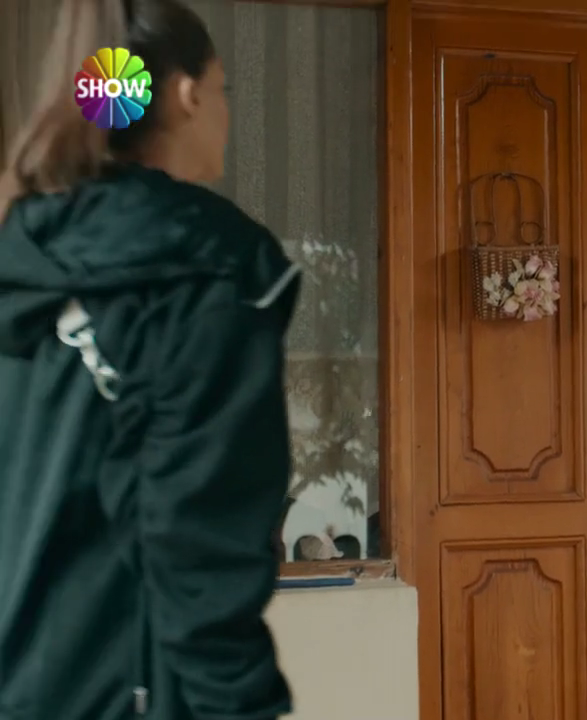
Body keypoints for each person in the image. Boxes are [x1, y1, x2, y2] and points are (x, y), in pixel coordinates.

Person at [0, 1, 296, 718]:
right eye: (222, 89)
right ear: (189, 93)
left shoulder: (18, 248)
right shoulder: (211, 271)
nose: (224, 111)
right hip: (130, 694)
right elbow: (201, 548)